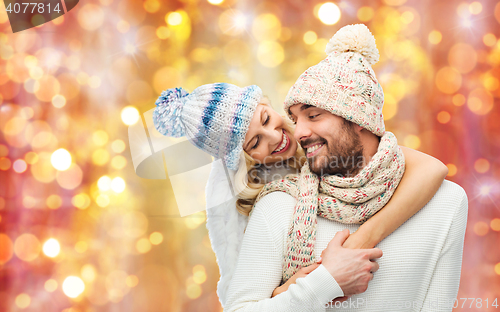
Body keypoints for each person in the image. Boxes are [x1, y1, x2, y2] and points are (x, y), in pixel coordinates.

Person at [223, 24, 468, 311]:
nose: (297, 132)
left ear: (358, 117)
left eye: (313, 115)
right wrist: (323, 282)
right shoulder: (277, 206)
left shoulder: (447, 202)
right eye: (295, 117)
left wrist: (363, 239)